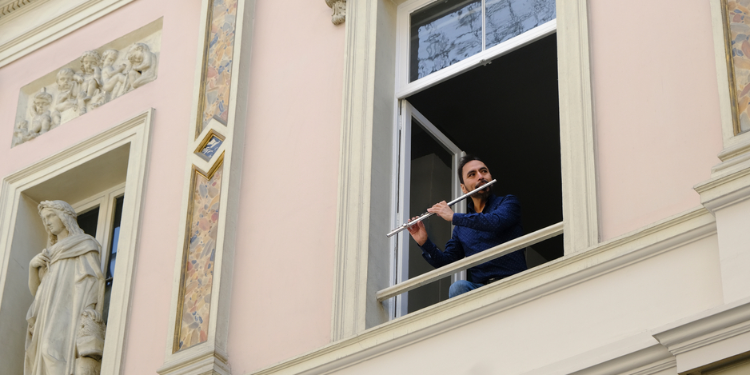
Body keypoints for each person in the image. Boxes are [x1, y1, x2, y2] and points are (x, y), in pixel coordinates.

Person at [407, 155, 527, 298]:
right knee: (458, 287)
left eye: (484, 171)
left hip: (515, 282)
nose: (480, 176)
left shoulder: (508, 202)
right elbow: (447, 262)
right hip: (482, 291)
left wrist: (454, 216)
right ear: (463, 188)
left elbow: (495, 222)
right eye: (472, 174)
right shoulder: (461, 228)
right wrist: (424, 242)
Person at [25, 200, 106, 375]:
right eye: (44, 218)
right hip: (47, 310)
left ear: (65, 216)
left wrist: (90, 308)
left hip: (69, 307)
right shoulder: (49, 253)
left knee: (50, 349)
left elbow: (94, 277)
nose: (47, 221)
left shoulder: (84, 243)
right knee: (43, 351)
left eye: (51, 215)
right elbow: (37, 292)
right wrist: (33, 267)